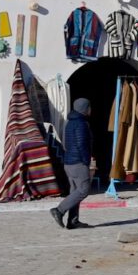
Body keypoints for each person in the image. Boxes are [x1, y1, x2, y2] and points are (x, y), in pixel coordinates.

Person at [50, 98, 94, 231]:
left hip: (69, 162)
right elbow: (82, 145)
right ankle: (59, 210)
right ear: (85, 109)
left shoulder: (70, 122)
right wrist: (87, 161)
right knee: (83, 190)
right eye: (89, 107)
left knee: (75, 191)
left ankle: (73, 221)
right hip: (78, 162)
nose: (91, 110)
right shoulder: (81, 124)